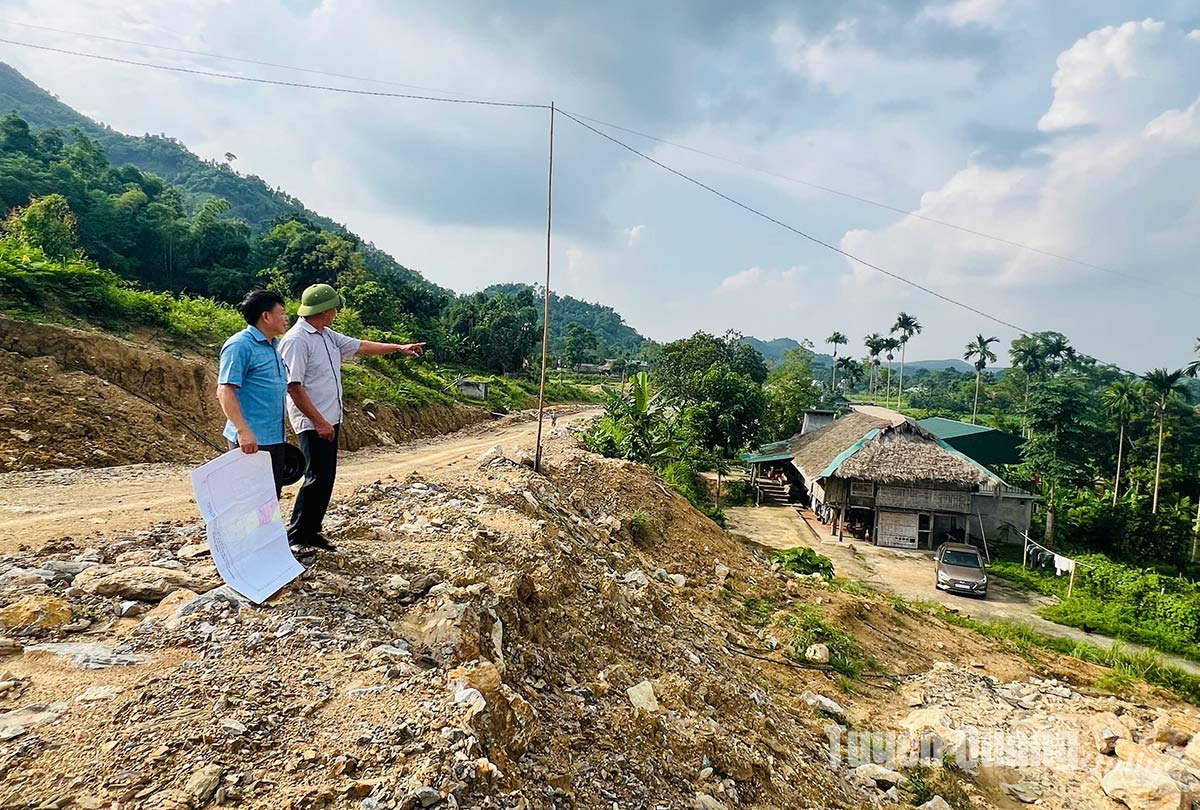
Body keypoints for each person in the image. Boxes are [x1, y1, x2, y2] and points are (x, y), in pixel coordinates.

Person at [279, 283, 424, 551]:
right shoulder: (297, 340)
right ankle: (297, 535)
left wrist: (398, 347)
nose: (335, 312)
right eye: (333, 308)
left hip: (328, 418)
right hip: (313, 421)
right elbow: (293, 386)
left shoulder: (326, 335)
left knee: (326, 476)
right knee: (316, 477)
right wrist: (319, 421)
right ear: (324, 310)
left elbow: (360, 346)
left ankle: (312, 531)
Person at [216, 289, 290, 497]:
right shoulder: (240, 345)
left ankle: (268, 531)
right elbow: (225, 390)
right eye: (282, 313)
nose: (286, 318)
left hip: (275, 438)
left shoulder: (273, 347)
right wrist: (243, 431)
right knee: (249, 500)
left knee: (269, 499)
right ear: (266, 316)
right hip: (251, 440)